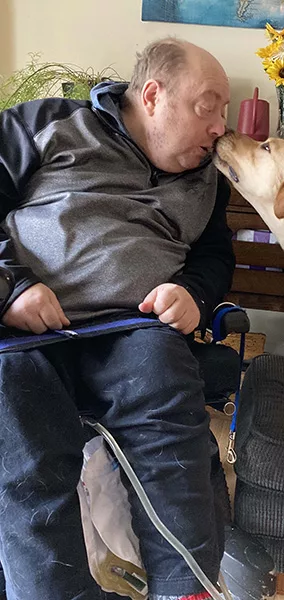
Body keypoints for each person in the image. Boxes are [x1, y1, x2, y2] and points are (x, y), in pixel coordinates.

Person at [0, 38, 234, 600]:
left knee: (171, 429)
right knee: (26, 445)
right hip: (20, 333)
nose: (220, 127)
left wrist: (194, 295)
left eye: (224, 112)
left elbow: (214, 256)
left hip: (133, 328)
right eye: (209, 106)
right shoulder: (46, 123)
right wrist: (11, 287)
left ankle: (187, 589)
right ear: (153, 96)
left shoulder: (207, 178)